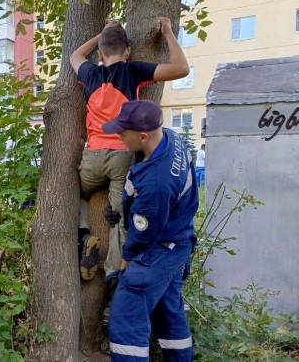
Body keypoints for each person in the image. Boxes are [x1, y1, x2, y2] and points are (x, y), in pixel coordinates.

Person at [69, 18, 190, 282]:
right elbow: (181, 69)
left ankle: (85, 234)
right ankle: (113, 272)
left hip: (93, 157)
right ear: (128, 52)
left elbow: (75, 55)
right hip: (123, 156)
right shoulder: (133, 70)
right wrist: (168, 33)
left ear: (99, 55)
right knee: (120, 215)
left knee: (77, 193)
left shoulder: (90, 72)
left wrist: (101, 33)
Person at [101, 100, 199, 362]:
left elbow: (145, 231)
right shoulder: (170, 137)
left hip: (157, 249)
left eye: (123, 133)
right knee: (167, 311)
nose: (119, 137)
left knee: (126, 318)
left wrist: (127, 258)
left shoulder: (157, 182)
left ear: (143, 136)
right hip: (177, 241)